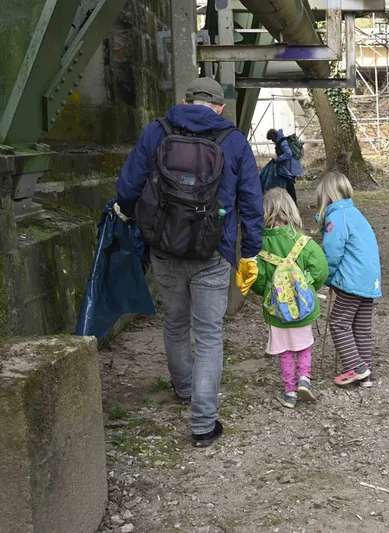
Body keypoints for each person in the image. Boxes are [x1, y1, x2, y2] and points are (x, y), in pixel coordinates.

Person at [115, 77, 264, 447]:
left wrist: (138, 220)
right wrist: (250, 252)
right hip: (212, 252)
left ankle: (183, 389)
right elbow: (251, 202)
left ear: (184, 101)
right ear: (219, 107)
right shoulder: (233, 141)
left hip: (164, 248)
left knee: (176, 323)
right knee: (209, 333)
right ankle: (202, 423)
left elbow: (128, 187)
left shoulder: (157, 131)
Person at [252, 188, 329, 409]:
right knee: (304, 345)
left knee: (284, 351)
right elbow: (321, 268)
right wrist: (309, 286)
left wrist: (267, 291)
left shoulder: (260, 245)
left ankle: (289, 392)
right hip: (303, 308)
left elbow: (257, 278)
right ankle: (305, 379)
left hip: (277, 311)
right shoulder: (304, 243)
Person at [315, 172, 382, 388]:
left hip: (351, 280)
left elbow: (332, 253)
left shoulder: (336, 217)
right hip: (369, 280)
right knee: (361, 326)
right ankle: (366, 371)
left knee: (338, 323)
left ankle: (356, 367)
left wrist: (327, 277)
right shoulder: (355, 214)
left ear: (326, 194)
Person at [266, 128, 304, 203]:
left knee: (290, 187)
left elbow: (288, 153)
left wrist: (278, 158)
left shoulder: (282, 142)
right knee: (289, 187)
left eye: (271, 139)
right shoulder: (282, 141)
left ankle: (293, 204)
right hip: (290, 168)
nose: (272, 141)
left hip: (289, 169)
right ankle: (292, 203)